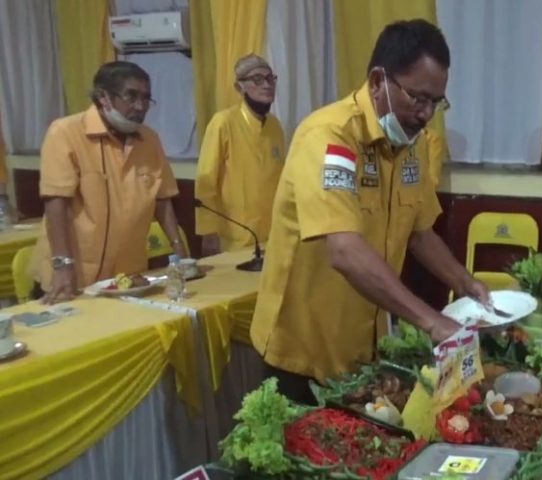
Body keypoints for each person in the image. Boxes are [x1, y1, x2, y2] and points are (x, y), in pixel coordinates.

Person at [250, 19, 490, 403]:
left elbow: (420, 232)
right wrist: (431, 321)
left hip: (364, 343)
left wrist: (465, 283)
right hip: (304, 352)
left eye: (436, 102)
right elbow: (344, 249)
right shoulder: (330, 138)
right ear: (378, 81)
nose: (427, 114)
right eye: (418, 98)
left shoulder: (407, 145)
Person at [31, 61, 186, 304]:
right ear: (103, 97)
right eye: (131, 96)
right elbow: (56, 203)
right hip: (72, 277)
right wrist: (62, 266)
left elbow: (162, 198)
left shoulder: (150, 139)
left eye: (146, 98)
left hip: (128, 277)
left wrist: (179, 250)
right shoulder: (65, 132)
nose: (140, 106)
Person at [195, 54, 286, 256]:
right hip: (236, 236)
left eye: (270, 78)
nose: (267, 85)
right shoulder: (223, 122)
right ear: (240, 87)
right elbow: (205, 181)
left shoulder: (275, 126)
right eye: (257, 79)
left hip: (272, 234)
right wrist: (208, 232)